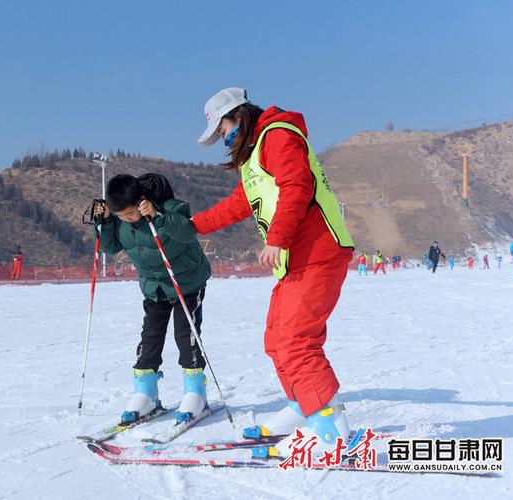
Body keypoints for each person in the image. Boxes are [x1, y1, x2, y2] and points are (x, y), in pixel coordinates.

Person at [191, 87, 354, 456]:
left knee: (298, 342)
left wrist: (277, 238)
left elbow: (298, 185)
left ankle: (332, 432)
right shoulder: (254, 156)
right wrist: (194, 225)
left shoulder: (277, 135)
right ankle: (303, 407)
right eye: (218, 134)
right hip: (294, 260)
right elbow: (239, 204)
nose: (223, 137)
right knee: (276, 340)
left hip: (318, 252)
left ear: (240, 116)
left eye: (223, 129)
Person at [93, 173, 212, 425]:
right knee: (150, 338)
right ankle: (146, 393)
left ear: (142, 201)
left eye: (128, 214)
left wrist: (158, 218)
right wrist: (103, 224)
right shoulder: (121, 221)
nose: (125, 220)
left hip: (186, 284)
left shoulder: (171, 208)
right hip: (154, 288)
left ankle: (195, 394)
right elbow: (110, 247)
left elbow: (187, 232)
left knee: (186, 337)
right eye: (120, 217)